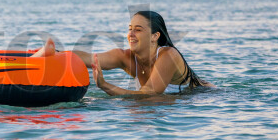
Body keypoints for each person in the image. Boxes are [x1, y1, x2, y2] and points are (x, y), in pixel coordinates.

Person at [74, 10, 211, 95]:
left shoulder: (168, 55)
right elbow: (88, 58)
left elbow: (148, 95)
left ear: (155, 36)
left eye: (138, 30)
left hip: (207, 97)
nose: (131, 34)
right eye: (130, 29)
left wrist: (104, 85)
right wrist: (55, 54)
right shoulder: (125, 57)